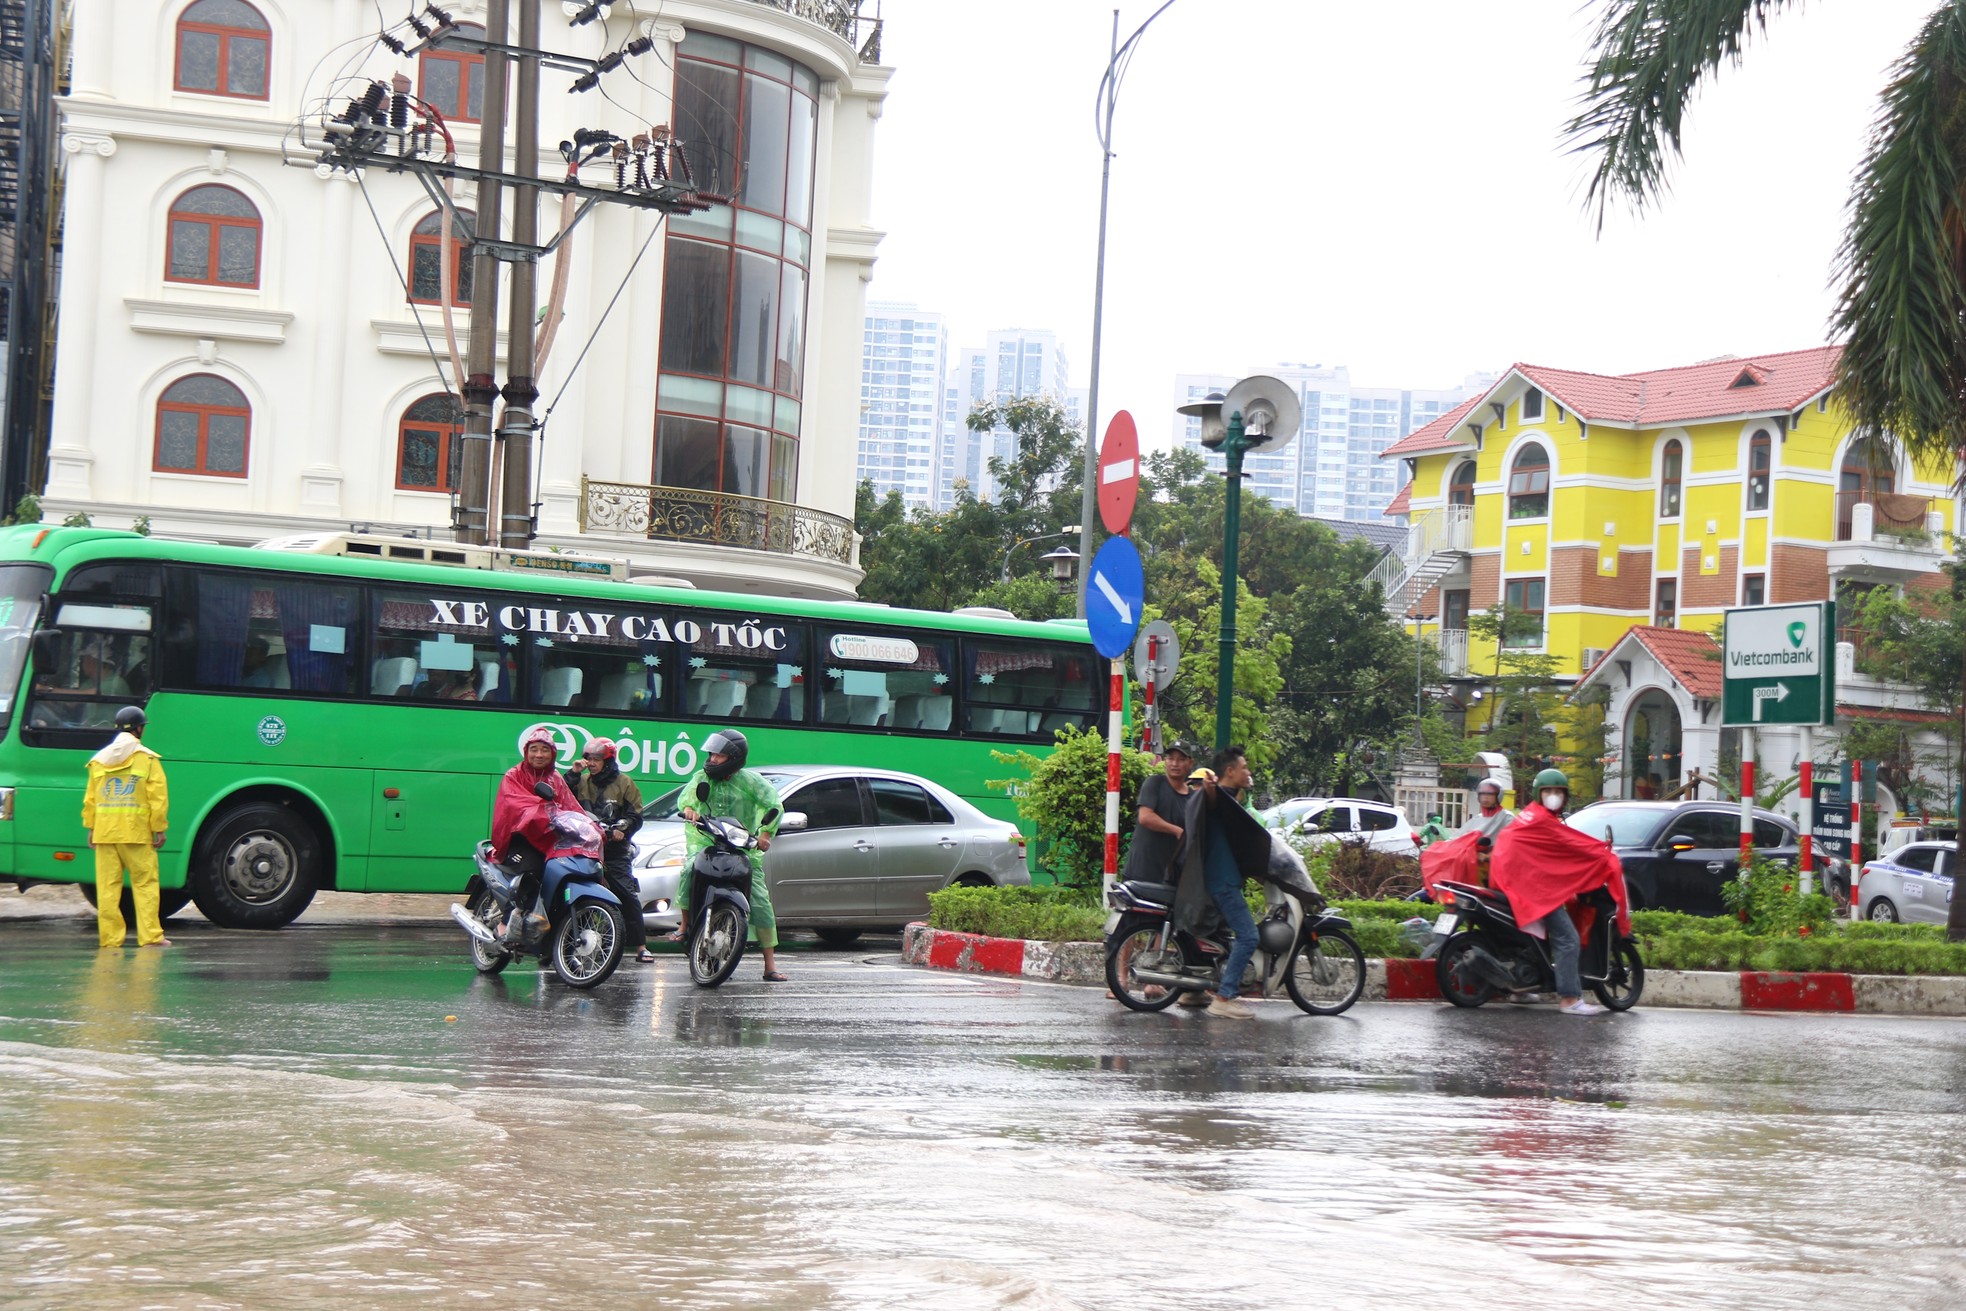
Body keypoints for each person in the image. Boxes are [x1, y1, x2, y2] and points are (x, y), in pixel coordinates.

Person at [1490, 768, 1632, 1017]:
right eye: (1549, 791)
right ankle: (1569, 998)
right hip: (1531, 890)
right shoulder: (1542, 820)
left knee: (1537, 939)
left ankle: (1520, 990)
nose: (1554, 796)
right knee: (1568, 939)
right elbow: (1574, 844)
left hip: (1510, 883)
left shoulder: (1529, 815)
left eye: (1559, 792)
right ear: (1538, 793)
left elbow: (1558, 847)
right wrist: (1602, 852)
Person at [676, 729, 787, 981]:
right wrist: (690, 810)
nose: (713, 759)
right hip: (705, 841)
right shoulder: (702, 777)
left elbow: (774, 805)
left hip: (742, 847)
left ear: (735, 757)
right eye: (713, 754)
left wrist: (766, 834)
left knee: (760, 901)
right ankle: (684, 927)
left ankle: (770, 965)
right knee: (687, 870)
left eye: (720, 755)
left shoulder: (752, 782)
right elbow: (687, 798)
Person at [1168, 746, 1266, 1020]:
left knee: (1216, 937)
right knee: (1248, 937)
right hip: (1222, 881)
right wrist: (1210, 789)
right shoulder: (1217, 798)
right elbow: (1211, 800)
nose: (1248, 772)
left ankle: (1194, 991)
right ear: (1231, 771)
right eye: (1244, 767)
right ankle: (1224, 998)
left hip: (1221, 878)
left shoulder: (1229, 800)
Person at [83, 706, 171, 949]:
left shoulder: (98, 761)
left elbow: (91, 798)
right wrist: (159, 828)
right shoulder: (147, 759)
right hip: (136, 833)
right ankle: (151, 937)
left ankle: (110, 940)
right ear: (139, 729)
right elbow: (158, 798)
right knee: (145, 884)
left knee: (108, 888)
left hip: (105, 834)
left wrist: (91, 827)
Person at [490, 726, 583, 944]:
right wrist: (541, 809)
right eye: (534, 749)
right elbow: (513, 803)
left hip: (548, 839)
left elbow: (570, 805)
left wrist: (587, 823)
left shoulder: (556, 779)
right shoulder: (514, 775)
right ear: (526, 751)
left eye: (544, 750)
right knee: (533, 871)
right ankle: (506, 921)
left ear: (552, 754)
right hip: (519, 839)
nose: (538, 754)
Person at [567, 738, 649, 962]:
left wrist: (624, 828)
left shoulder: (625, 783)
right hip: (583, 847)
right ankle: (558, 943)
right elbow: (561, 796)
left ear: (608, 761)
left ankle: (641, 947)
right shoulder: (580, 781)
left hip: (614, 850)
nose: (591, 763)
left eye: (596, 759)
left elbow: (636, 815)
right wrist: (573, 773)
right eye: (588, 759)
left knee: (627, 894)